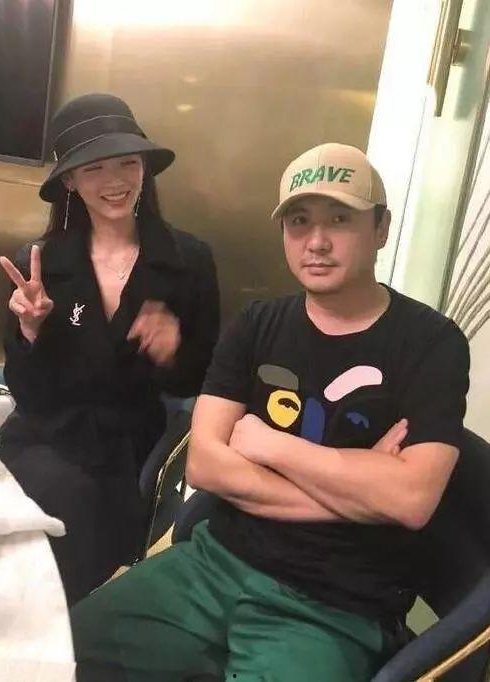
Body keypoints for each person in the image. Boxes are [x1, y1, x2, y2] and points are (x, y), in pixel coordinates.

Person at [70, 143, 470, 681]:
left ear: (381, 228)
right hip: (213, 567)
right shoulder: (257, 325)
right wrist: (360, 488)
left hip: (332, 607)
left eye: (340, 220)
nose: (317, 242)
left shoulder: (432, 343)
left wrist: (270, 445)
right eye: (299, 222)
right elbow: (205, 466)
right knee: (60, 652)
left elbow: (410, 500)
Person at [0, 93, 220, 606]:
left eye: (127, 163)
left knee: (74, 522)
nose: (114, 180)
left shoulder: (188, 260)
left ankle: (68, 629)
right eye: (93, 168)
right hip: (44, 434)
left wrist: (172, 351)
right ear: (70, 182)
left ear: (144, 169)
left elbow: (203, 380)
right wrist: (30, 331)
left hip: (128, 444)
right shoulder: (39, 262)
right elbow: (27, 392)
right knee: (24, 525)